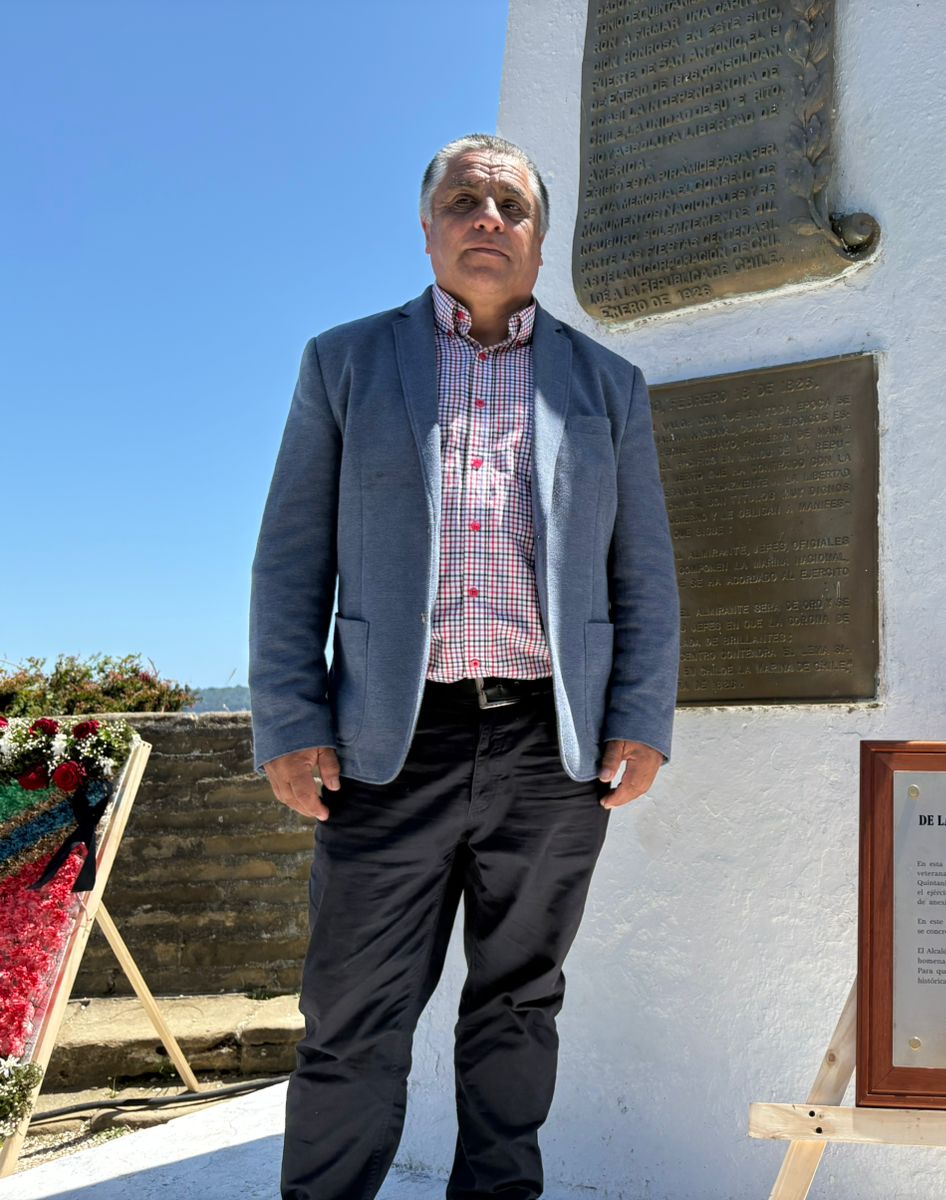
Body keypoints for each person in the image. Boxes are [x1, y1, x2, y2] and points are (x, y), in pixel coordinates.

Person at [249, 133, 680, 1200]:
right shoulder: (345, 362)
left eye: (509, 205)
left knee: (518, 1009)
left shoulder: (607, 385)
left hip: (551, 753)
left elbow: (645, 575)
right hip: (388, 751)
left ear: (540, 237)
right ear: (429, 226)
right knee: (353, 1019)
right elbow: (291, 558)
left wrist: (641, 718)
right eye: (462, 200)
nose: (486, 218)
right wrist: (290, 720)